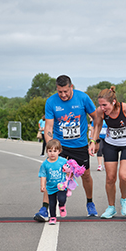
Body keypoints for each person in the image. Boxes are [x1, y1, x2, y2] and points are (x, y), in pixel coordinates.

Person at [34, 75, 98, 221]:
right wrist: (51, 147)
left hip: (80, 145)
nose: (63, 95)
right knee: (52, 175)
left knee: (86, 175)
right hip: (60, 146)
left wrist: (94, 139)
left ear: (71, 87)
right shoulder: (51, 102)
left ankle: (90, 203)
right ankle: (44, 209)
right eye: (59, 91)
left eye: (65, 91)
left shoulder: (83, 98)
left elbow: (97, 118)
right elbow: (49, 126)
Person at [89, 86, 126, 219]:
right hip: (111, 144)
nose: (102, 108)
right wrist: (94, 142)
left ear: (113, 102)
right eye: (100, 105)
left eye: (105, 105)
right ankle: (111, 207)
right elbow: (97, 125)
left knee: (123, 175)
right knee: (110, 178)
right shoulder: (101, 111)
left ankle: (124, 199)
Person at [39, 139, 68, 225]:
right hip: (50, 187)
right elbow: (43, 175)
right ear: (47, 151)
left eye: (55, 151)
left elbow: (69, 170)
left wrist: (70, 174)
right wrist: (42, 185)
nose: (52, 153)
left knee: (61, 199)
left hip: (61, 186)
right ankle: (52, 217)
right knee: (52, 203)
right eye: (50, 151)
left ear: (59, 151)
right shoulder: (45, 164)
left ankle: (62, 205)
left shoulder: (63, 161)